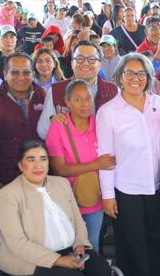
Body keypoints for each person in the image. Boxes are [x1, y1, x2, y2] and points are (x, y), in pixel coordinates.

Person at [0, 140, 127, 276]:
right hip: (33, 259)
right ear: (20, 165)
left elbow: (77, 220)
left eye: (43, 159)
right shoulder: (8, 195)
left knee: (100, 269)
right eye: (31, 160)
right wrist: (57, 260)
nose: (38, 165)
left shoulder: (60, 184)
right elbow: (17, 242)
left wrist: (80, 244)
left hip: (69, 249)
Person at [97, 53, 160, 276]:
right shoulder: (108, 113)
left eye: (141, 74)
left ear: (149, 78)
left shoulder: (159, 105)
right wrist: (108, 195)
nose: (135, 79)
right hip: (125, 188)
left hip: (157, 186)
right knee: (132, 241)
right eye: (129, 73)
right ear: (119, 77)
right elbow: (104, 157)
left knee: (157, 236)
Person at [45, 79, 114, 252]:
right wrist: (95, 165)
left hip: (94, 197)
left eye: (88, 98)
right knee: (69, 247)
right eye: (78, 99)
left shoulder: (100, 123)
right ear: (67, 102)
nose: (85, 104)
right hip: (67, 199)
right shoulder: (58, 127)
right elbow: (60, 169)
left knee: (93, 244)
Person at [0, 52, 46, 191]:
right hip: (6, 181)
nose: (21, 77)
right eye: (15, 72)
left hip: (41, 179)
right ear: (5, 74)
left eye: (26, 72)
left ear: (33, 74)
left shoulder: (44, 96)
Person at [37, 41, 119, 139]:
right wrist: (55, 124)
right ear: (72, 63)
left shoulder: (113, 91)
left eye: (92, 59)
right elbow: (42, 132)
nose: (85, 63)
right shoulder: (56, 90)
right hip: (68, 151)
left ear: (100, 65)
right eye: (79, 58)